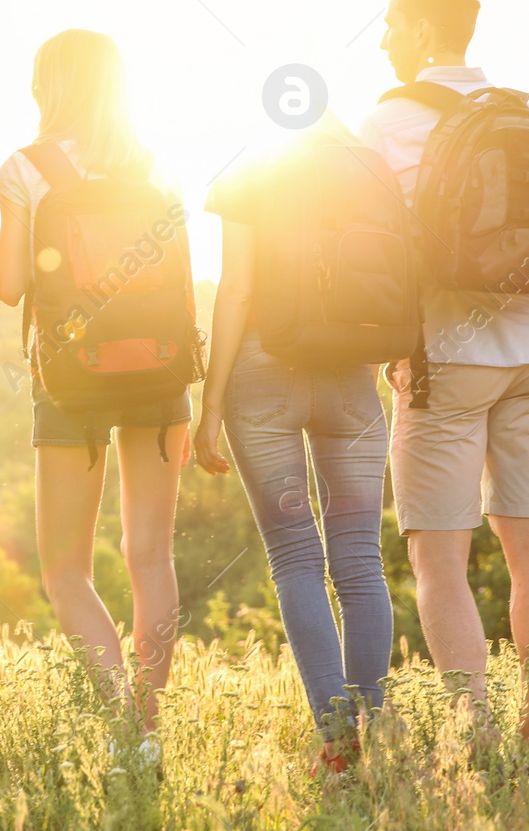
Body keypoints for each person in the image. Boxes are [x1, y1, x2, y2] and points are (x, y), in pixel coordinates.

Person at [358, 0, 529, 738]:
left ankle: (479, 731)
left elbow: (371, 241)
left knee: (441, 561)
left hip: (447, 358)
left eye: (393, 23)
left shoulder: (390, 119)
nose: (385, 37)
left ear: (426, 30)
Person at [0, 29, 191, 736]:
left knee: (65, 570)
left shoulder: (28, 167)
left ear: (49, 86)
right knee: (152, 556)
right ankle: (151, 716)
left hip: (71, 380)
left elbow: (11, 284)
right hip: (161, 367)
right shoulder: (155, 164)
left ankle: (121, 719)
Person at [193, 110, 395, 774]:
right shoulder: (369, 169)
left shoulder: (252, 168)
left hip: (260, 373)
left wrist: (212, 399)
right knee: (361, 562)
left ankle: (337, 747)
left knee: (296, 558)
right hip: (352, 379)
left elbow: (238, 288)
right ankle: (373, 741)